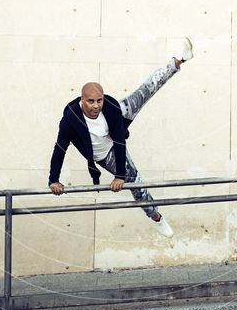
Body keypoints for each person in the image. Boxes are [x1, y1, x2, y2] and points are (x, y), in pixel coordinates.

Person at [48, 37, 194, 238]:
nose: (95, 106)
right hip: (104, 154)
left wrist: (119, 177)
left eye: (99, 100)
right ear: (82, 100)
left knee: (146, 90)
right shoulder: (70, 120)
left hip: (118, 121)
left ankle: (178, 59)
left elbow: (119, 140)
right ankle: (156, 217)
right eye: (90, 102)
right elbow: (60, 149)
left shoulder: (110, 107)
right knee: (136, 181)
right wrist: (53, 180)